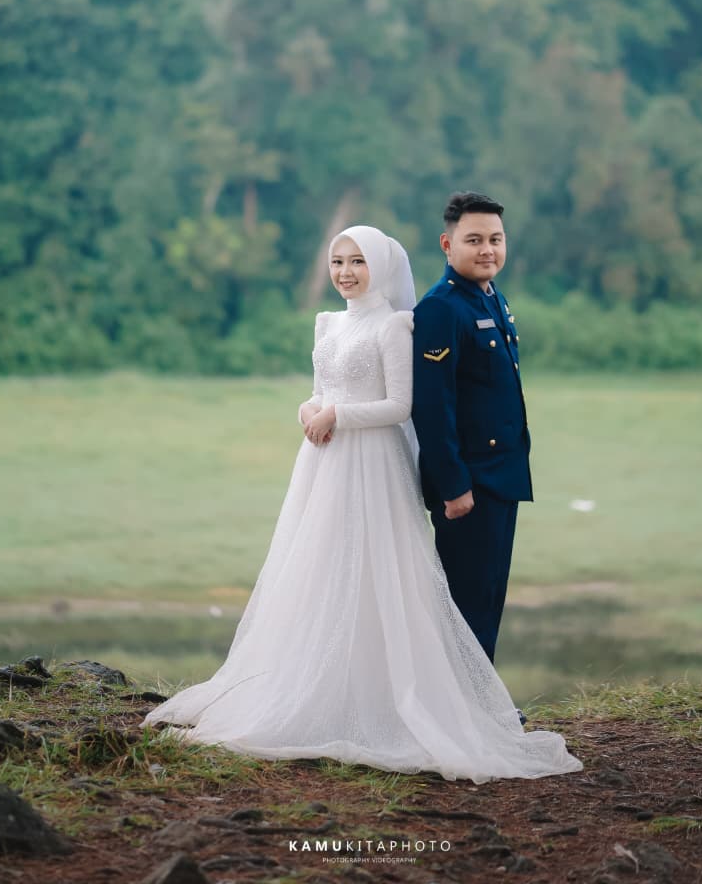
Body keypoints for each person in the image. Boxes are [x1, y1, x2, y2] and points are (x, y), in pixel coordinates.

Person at [142, 224, 581, 783]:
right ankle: (316, 686)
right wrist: (309, 410)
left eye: (358, 261)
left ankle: (396, 696)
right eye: (338, 261)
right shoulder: (327, 322)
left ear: (380, 266)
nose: (346, 272)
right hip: (325, 462)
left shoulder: (397, 325)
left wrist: (338, 416)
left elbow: (401, 404)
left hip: (373, 461)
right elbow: (320, 388)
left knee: (382, 570)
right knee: (320, 565)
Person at [412, 191, 531, 666]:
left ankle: (480, 699)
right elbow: (432, 405)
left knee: (488, 598)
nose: (488, 250)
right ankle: (461, 702)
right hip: (469, 485)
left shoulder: (490, 295)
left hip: (501, 474)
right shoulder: (441, 308)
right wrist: (453, 485)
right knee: (464, 607)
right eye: (475, 240)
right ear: (447, 244)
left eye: (496, 239)